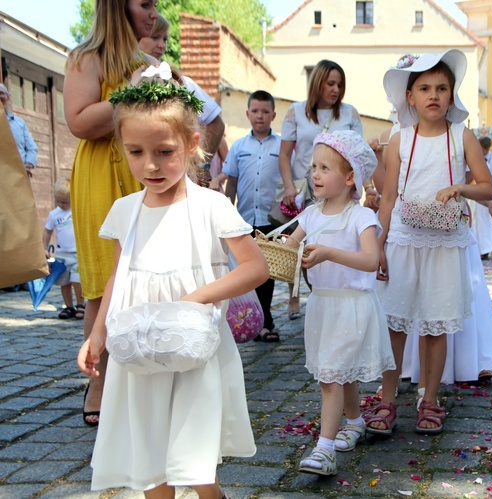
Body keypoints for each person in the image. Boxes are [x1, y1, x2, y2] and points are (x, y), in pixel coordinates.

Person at [77, 71, 267, 496]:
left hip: (193, 347)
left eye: (164, 152)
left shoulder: (210, 207)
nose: (150, 165)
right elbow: (117, 275)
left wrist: (197, 297)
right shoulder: (125, 210)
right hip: (140, 348)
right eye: (136, 152)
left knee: (195, 460)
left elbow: (255, 268)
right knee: (149, 458)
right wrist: (97, 332)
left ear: (192, 144)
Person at [371, 49, 492, 435]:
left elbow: (487, 185)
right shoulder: (399, 139)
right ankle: (388, 400)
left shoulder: (462, 135)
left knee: (435, 325)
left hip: (444, 241)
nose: (434, 95)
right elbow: (389, 196)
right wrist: (380, 244)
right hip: (405, 240)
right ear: (410, 97)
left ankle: (430, 399)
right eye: (424, 88)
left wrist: (460, 187)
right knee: (396, 324)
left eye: (442, 88)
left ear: (452, 93)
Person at [64, 0, 159, 427]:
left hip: (144, 171)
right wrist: (130, 93)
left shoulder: (147, 61)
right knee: (104, 284)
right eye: (145, 4)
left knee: (150, 276)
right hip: (101, 175)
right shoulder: (87, 58)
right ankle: (98, 382)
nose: (154, 12)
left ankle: (145, 378)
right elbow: (79, 121)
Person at [286, 130, 394, 476]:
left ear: (350, 178)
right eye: (313, 167)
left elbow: (370, 259)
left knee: (332, 376)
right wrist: (272, 246)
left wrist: (330, 253)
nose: (315, 174)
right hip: (322, 306)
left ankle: (324, 449)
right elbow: (289, 246)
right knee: (337, 375)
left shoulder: (360, 217)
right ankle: (356, 421)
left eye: (324, 168)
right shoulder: (310, 215)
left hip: (351, 307)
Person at [279, 60, 364, 322]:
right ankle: (303, 293)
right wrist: (289, 187)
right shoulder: (295, 112)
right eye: (330, 83)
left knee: (338, 242)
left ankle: (330, 293)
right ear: (318, 83)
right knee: (305, 244)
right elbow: (284, 155)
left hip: (341, 191)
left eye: (340, 84)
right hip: (307, 190)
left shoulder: (350, 114)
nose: (336, 89)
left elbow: (359, 155)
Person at [223, 90, 282, 342]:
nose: (260, 116)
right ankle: (251, 318)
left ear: (273, 115)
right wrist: (226, 210)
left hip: (271, 218)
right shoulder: (239, 147)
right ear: (248, 114)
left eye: (265, 112)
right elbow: (232, 182)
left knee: (266, 272)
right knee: (248, 270)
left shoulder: (282, 146)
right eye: (255, 111)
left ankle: (265, 320)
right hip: (244, 218)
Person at [138, 14, 226, 175]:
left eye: (164, 39)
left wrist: (201, 166)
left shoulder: (180, 82)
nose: (161, 45)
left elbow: (217, 124)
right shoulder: (124, 82)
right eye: (154, 37)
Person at [42, 178, 84, 320]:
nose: (60, 204)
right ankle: (68, 306)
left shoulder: (78, 211)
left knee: (77, 281)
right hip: (61, 254)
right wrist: (45, 248)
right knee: (64, 282)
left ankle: (80, 304)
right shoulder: (54, 214)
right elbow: (47, 231)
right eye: (58, 201)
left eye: (64, 201)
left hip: (77, 253)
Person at [0, 83, 38, 177]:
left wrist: (27, 165)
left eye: (1, 93)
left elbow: (32, 148)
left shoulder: (19, 123)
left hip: (18, 176)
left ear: (8, 97)